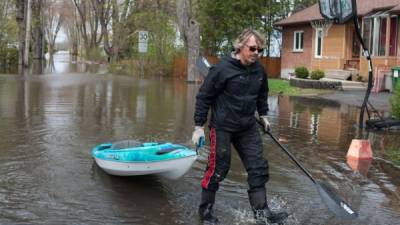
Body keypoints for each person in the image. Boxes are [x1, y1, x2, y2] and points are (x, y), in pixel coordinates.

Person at [191, 28, 288, 225]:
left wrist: (264, 115)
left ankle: (262, 213)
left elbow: (262, 93)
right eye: (252, 48)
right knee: (219, 168)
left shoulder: (259, 70)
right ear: (240, 46)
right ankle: (206, 212)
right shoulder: (221, 70)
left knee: (258, 167)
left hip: (247, 126)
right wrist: (198, 126)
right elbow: (204, 97)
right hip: (222, 127)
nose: (256, 53)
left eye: (260, 49)